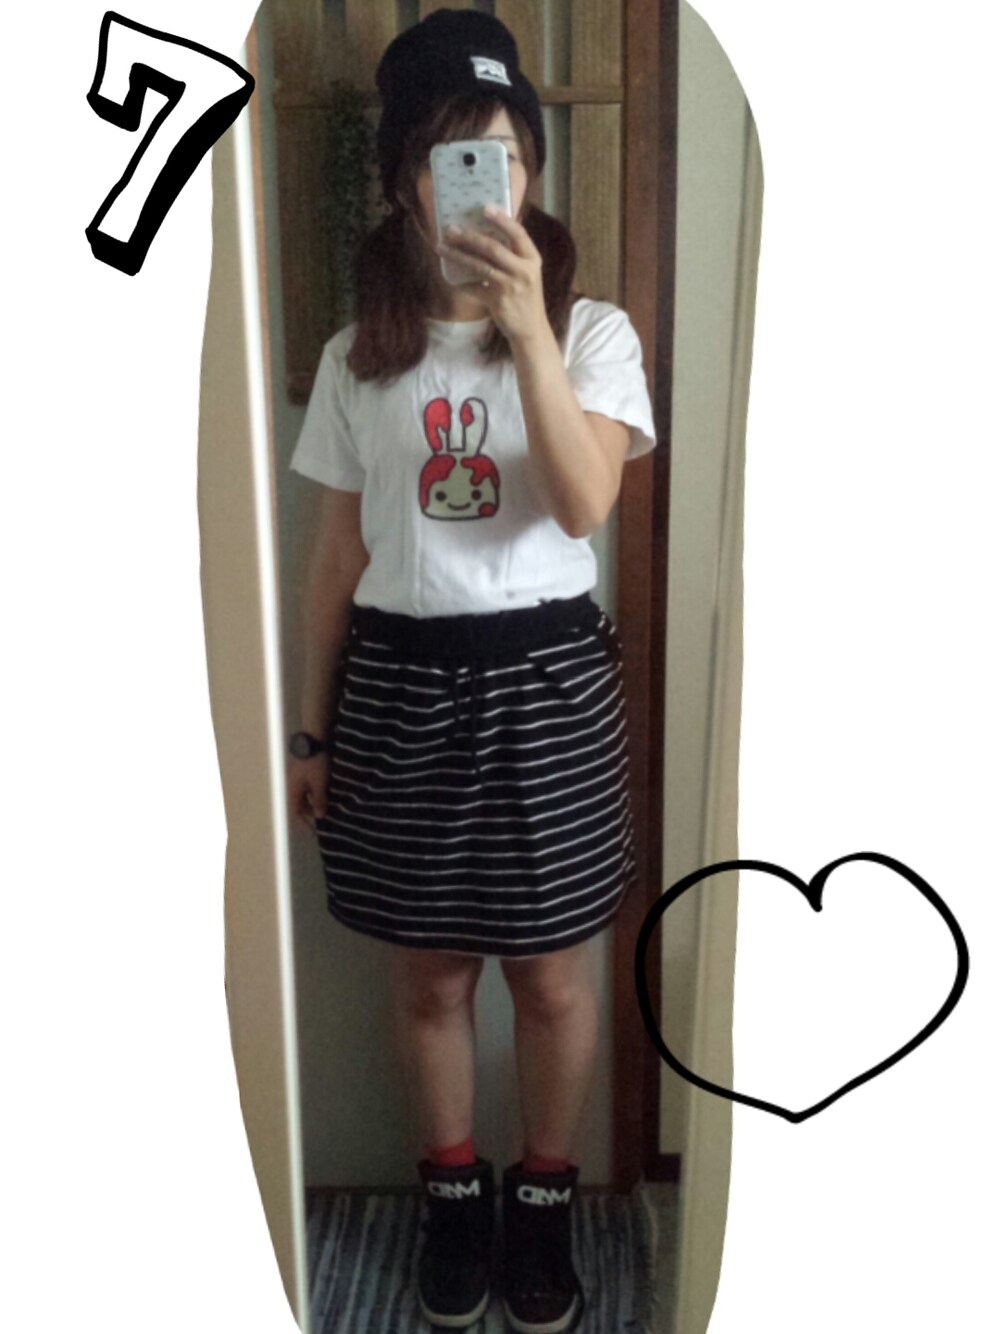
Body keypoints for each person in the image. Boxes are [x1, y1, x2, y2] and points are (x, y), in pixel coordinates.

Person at [286, 10, 656, 1333]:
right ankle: (453, 1194)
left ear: (533, 174)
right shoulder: (357, 355)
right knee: (429, 979)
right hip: (398, 691)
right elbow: (336, 557)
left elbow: (584, 504)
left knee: (552, 980)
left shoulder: (595, 333)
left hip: (547, 686)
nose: (485, 184)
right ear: (404, 180)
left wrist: (527, 333)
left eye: (505, 157)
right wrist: (311, 734)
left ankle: (541, 1199)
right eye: (452, 157)